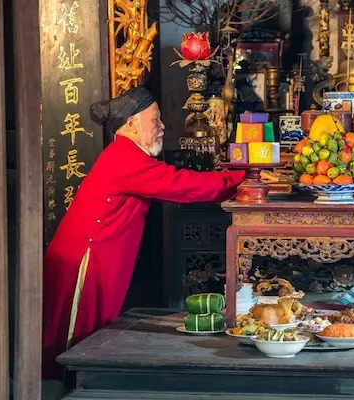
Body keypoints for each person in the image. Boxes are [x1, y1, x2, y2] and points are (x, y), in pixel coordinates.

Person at [42, 87, 245, 381]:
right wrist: (242, 178)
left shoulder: (128, 155)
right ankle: (66, 386)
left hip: (99, 255)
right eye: (155, 120)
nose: (162, 126)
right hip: (85, 259)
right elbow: (182, 185)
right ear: (131, 124)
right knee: (75, 335)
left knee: (90, 330)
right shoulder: (125, 158)